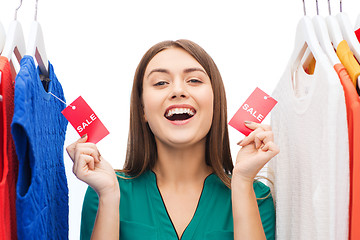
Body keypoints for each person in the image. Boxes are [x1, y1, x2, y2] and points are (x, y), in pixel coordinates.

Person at [66, 39, 279, 240]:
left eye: (194, 80)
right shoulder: (105, 190)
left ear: (215, 103)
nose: (178, 91)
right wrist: (108, 196)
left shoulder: (256, 197)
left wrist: (242, 183)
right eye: (160, 83)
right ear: (143, 111)